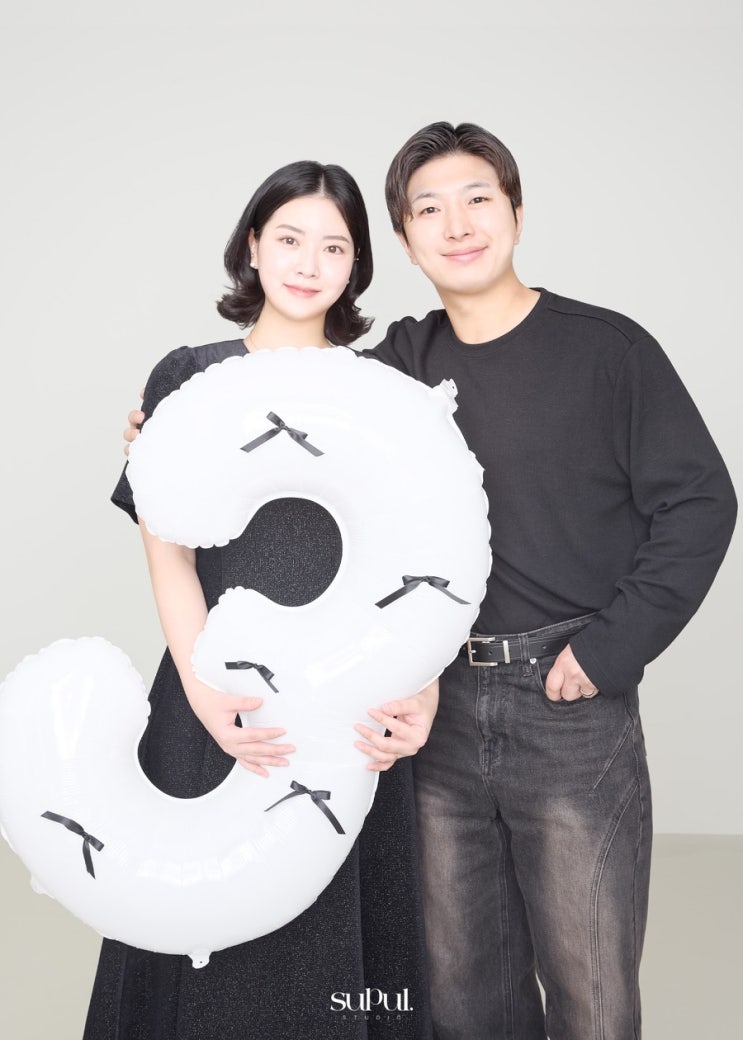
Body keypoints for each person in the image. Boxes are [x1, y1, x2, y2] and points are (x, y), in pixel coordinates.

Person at [123, 124, 738, 1040]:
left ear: (515, 211)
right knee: (457, 992)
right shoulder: (399, 364)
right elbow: (268, 425)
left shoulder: (598, 351)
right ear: (407, 243)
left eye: (477, 200)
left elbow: (700, 503)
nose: (456, 226)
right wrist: (165, 438)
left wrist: (609, 651)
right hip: (421, 702)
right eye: (428, 210)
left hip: (560, 695)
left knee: (590, 991)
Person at [89, 160, 437, 1040]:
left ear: (356, 266)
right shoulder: (187, 376)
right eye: (288, 238)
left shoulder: (381, 393)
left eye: (334, 247)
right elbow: (167, 556)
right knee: (204, 923)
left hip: (349, 701)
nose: (308, 263)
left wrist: (419, 684)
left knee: (330, 941)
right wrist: (207, 697)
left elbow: (421, 562)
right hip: (214, 690)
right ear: (252, 245)